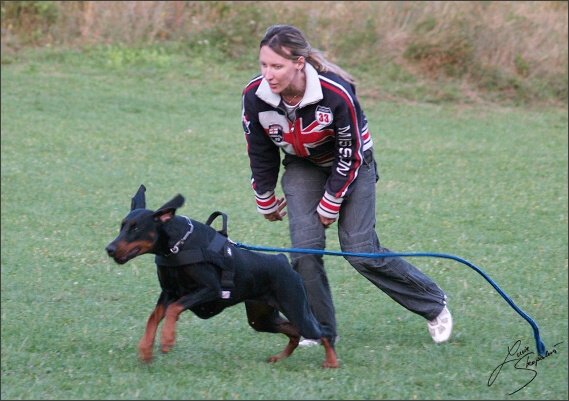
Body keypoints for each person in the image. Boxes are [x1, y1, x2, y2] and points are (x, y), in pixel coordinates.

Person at [240, 25, 452, 346]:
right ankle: (321, 329)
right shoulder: (255, 96)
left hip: (353, 164)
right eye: (264, 65)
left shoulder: (336, 93)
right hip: (303, 164)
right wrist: (264, 195)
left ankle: (434, 304)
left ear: (299, 63)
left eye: (277, 66)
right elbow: (260, 148)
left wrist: (331, 201)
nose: (268, 74)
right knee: (304, 253)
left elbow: (350, 153)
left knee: (360, 251)